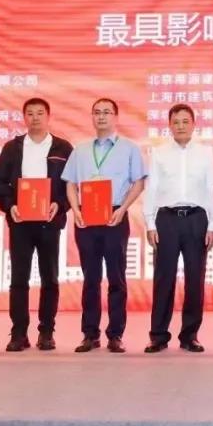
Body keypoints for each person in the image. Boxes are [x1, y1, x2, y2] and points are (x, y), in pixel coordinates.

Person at [63, 98, 146, 354]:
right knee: (90, 278)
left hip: (115, 216)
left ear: (116, 117)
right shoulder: (80, 150)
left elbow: (139, 183)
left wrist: (123, 209)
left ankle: (115, 334)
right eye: (97, 112)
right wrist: (76, 210)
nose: (101, 116)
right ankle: (90, 334)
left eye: (107, 112)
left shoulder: (129, 149)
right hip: (86, 217)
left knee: (116, 278)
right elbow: (70, 183)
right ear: (91, 117)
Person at [0, 98, 73, 352]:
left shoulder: (62, 147)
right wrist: (10, 205)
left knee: (50, 278)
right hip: (21, 222)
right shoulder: (13, 147)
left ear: (48, 116)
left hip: (49, 221)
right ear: (24, 117)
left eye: (40, 113)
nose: (35, 117)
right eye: (30, 113)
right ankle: (18, 333)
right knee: (19, 278)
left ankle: (46, 332)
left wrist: (60, 204)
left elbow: (71, 184)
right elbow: (0, 181)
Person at [143, 104, 213, 353]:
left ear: (194, 125)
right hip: (167, 219)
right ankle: (158, 335)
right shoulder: (159, 153)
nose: (181, 126)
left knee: (195, 278)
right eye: (176, 122)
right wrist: (150, 223)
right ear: (169, 125)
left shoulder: (206, 153)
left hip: (197, 218)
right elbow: (152, 189)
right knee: (163, 278)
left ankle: (190, 335)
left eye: (186, 121)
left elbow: (211, 189)